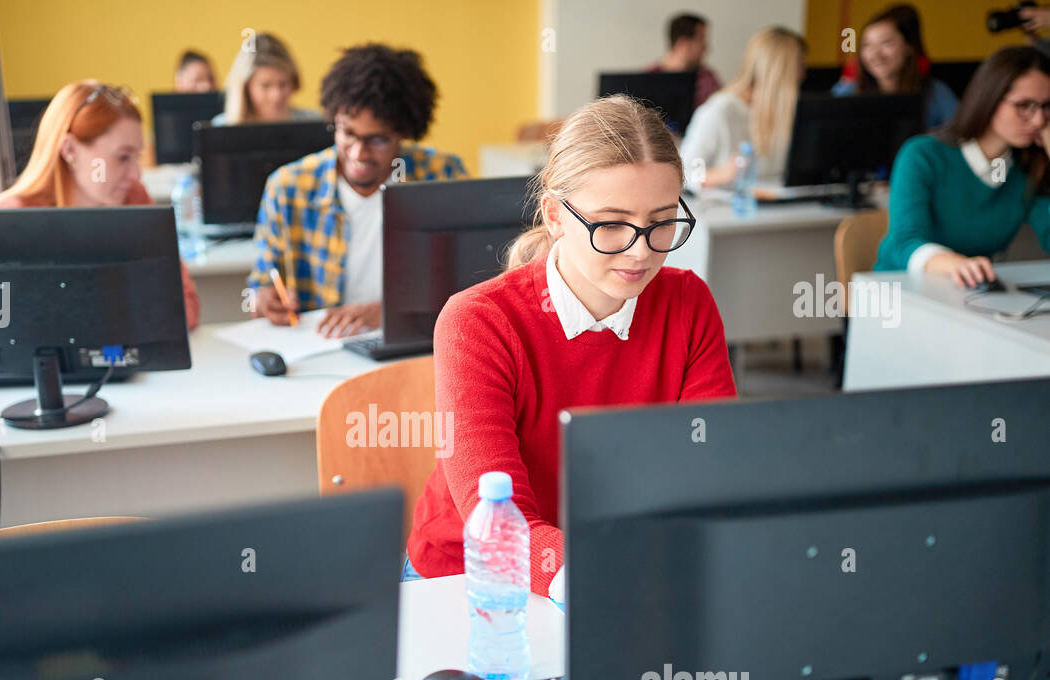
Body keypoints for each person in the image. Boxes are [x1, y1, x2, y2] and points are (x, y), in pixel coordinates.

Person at [404, 95, 737, 594]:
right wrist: (607, 576)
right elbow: (498, 523)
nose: (642, 250)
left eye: (662, 222)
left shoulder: (688, 301)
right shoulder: (478, 321)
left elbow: (708, 470)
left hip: (621, 565)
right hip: (467, 582)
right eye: (612, 224)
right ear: (556, 216)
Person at [247, 44, 467, 338]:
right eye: (348, 133)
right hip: (323, 348)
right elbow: (261, 282)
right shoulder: (288, 188)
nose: (359, 153)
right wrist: (263, 298)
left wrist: (387, 311)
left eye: (377, 140)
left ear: (403, 134)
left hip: (415, 343)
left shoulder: (443, 177)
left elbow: (474, 283)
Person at [0, 81, 199, 329]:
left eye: (136, 157)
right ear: (70, 150)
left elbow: (187, 306)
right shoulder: (10, 217)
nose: (136, 175)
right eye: (122, 157)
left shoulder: (134, 199)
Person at [876, 46, 1050, 287]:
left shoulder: (1029, 166)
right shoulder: (923, 155)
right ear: (990, 98)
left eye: (1045, 106)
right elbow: (903, 243)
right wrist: (957, 264)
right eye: (1024, 105)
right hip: (899, 293)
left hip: (971, 296)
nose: (1039, 120)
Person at [678, 26, 806, 188]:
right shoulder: (719, 111)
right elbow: (684, 174)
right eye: (799, 66)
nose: (803, 75)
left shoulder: (788, 112)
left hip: (775, 207)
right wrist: (724, 173)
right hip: (727, 210)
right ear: (779, 71)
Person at [831, 5, 958, 130]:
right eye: (867, 45)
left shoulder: (937, 94)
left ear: (909, 47)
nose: (875, 54)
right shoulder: (847, 92)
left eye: (886, 43)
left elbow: (960, 136)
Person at [212, 33, 319, 126]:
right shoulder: (221, 127)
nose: (276, 95)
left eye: (283, 84)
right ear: (245, 87)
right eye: (265, 85)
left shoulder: (316, 122)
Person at [648, 12, 723, 109]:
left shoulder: (707, 79)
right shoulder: (648, 79)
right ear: (683, 44)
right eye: (701, 40)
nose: (706, 48)